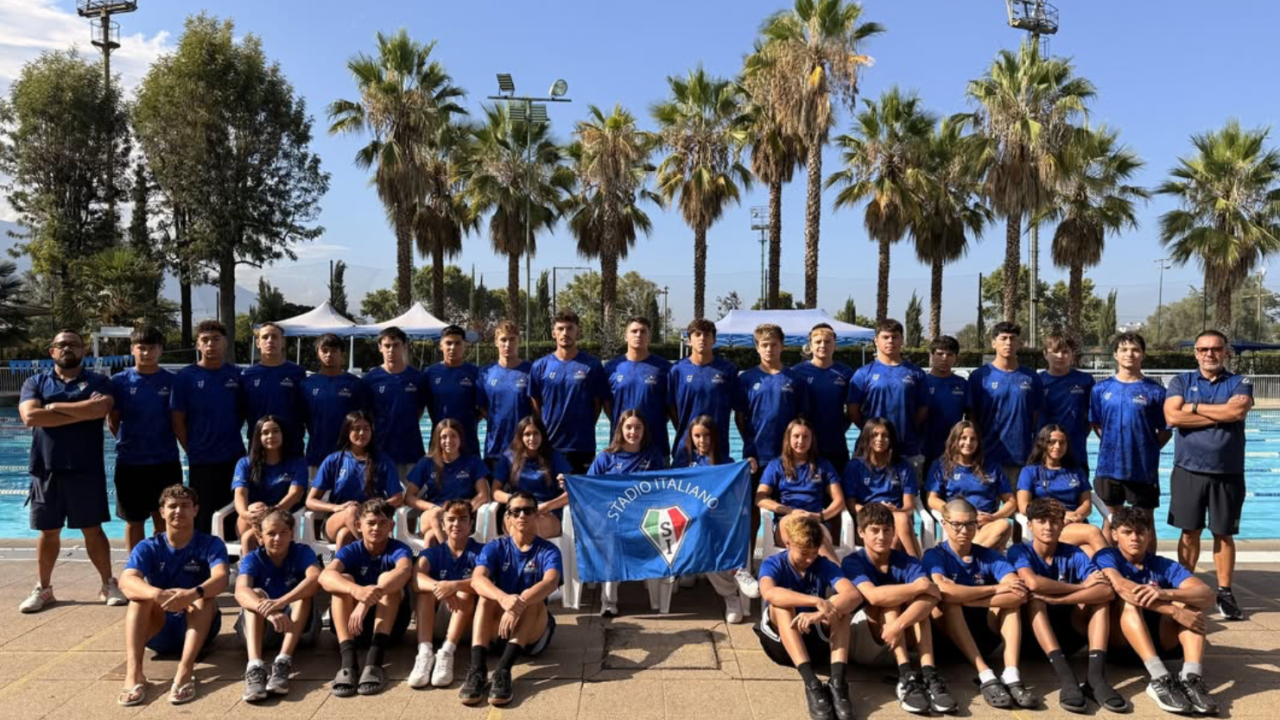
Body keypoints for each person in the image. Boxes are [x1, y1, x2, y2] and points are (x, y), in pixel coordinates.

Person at [18, 328, 124, 613]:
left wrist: (53, 407)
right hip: (46, 468)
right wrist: (80, 409)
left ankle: (108, 584)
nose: (67, 348)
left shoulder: (99, 381)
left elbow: (99, 410)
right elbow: (30, 416)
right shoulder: (36, 381)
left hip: (85, 468)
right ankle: (43, 588)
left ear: (83, 350)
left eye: (74, 344)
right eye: (61, 344)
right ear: (52, 351)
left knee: (93, 530)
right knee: (48, 531)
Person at [1163, 329, 1253, 621]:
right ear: (1196, 353)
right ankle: (1185, 587)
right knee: (1189, 532)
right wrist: (1218, 413)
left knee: (1223, 534)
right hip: (1188, 469)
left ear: (1225, 352)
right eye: (1203, 349)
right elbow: (1172, 416)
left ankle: (1225, 592)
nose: (1209, 354)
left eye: (1215, 349)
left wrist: (1194, 408)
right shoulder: (1181, 381)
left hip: (1228, 471)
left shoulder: (1239, 381)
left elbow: (1236, 413)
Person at [1095, 507, 1217, 715]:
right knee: (1129, 603)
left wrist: (1166, 593)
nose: (1135, 538)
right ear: (1114, 535)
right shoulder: (1107, 557)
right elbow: (1123, 588)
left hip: (1162, 641)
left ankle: (1192, 678)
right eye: (1127, 532)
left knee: (1192, 606)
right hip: (1119, 643)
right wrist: (1174, 612)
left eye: (1140, 532)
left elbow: (1207, 595)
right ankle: (1159, 678)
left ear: (1149, 535)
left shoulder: (1163, 565)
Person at [1008, 498, 1126, 714]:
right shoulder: (1019, 551)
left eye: (1054, 521)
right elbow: (1033, 583)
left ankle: (1095, 678)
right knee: (1035, 600)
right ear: (1030, 525)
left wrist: (1059, 599)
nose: (1048, 527)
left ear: (1063, 525)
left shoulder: (1074, 553)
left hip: (1070, 635)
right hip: (1030, 640)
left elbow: (1106, 591)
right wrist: (1079, 587)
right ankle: (1067, 678)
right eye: (1041, 521)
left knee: (1100, 601)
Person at [667, 318, 757, 599]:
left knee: (715, 511)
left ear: (714, 339)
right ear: (689, 339)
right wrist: (688, 435)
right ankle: (689, 566)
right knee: (684, 511)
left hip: (719, 457)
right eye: (697, 335)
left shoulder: (727, 371)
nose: (702, 339)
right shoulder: (677, 371)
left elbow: (740, 410)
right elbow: (671, 409)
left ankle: (725, 573)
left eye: (707, 335)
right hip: (685, 454)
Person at [117, 485, 228, 707]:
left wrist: (192, 593)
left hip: (200, 627)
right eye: (173, 506)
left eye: (185, 505)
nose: (179, 511)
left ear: (195, 510)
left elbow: (222, 578)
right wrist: (157, 594)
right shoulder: (148, 547)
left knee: (203, 599)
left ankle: (185, 671)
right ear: (162, 512)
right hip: (159, 630)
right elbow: (126, 581)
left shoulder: (210, 544)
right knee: (138, 600)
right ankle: (134, 674)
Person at [923, 498, 1037, 710]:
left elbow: (1019, 594)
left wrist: (966, 597)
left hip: (984, 636)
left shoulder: (989, 556)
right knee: (951, 604)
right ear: (944, 524)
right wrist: (994, 589)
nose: (964, 530)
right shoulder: (935, 556)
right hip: (948, 639)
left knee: (1011, 607)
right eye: (957, 524)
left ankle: (1011, 674)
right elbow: (945, 592)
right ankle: (985, 674)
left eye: (970, 524)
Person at [841, 503, 953, 715]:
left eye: (887, 530)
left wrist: (899, 625)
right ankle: (906, 676)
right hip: (866, 642)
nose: (881, 536)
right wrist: (917, 587)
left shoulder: (906, 561)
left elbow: (932, 595)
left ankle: (929, 673)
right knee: (891, 602)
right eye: (874, 530)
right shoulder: (853, 562)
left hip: (897, 634)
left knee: (919, 604)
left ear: (894, 532)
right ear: (861, 533)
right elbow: (874, 596)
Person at [460, 490, 562, 707]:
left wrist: (519, 604)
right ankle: (477, 669)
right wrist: (504, 599)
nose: (522, 515)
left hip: (533, 632)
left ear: (536, 515)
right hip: (500, 627)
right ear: (508, 517)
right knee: (486, 596)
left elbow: (551, 582)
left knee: (533, 599)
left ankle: (503, 671)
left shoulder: (549, 550)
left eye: (528, 510)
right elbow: (477, 579)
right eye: (516, 511)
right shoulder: (495, 546)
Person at [756, 514, 862, 720]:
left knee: (840, 610)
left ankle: (838, 683)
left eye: (814, 553)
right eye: (804, 553)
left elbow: (853, 595)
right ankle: (812, 684)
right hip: (781, 644)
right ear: (788, 543)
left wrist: (819, 613)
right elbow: (769, 592)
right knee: (782, 606)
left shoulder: (823, 564)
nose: (809, 559)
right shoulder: (773, 563)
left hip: (815, 641)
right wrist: (815, 601)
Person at [319, 498, 415, 697]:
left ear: (391, 526)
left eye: (382, 523)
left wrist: (366, 600)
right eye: (371, 523)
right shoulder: (352, 550)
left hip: (389, 630)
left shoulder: (399, 548)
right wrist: (355, 590)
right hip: (352, 627)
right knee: (343, 581)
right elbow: (324, 577)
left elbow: (404, 571)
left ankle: (374, 661)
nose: (376, 528)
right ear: (358, 526)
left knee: (387, 579)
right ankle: (348, 662)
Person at [1091, 331, 1170, 554]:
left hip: (1143, 470)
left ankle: (1149, 567)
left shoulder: (1155, 391)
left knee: (1145, 521)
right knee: (1110, 520)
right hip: (1109, 467)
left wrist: (1147, 449)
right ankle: (1109, 567)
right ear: (1115, 355)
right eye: (1124, 349)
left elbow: (1166, 430)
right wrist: (1114, 445)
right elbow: (1097, 424)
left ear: (1143, 354)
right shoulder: (1101, 389)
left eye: (1135, 350)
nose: (1130, 354)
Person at [233, 508, 320, 703]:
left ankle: (283, 662)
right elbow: (240, 590)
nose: (278, 538)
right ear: (260, 537)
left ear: (292, 534)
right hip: (262, 630)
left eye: (283, 532)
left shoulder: (302, 552)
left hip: (299, 630)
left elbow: (315, 578)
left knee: (302, 594)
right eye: (271, 533)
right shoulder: (253, 558)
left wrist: (282, 601)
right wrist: (269, 611)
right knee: (254, 594)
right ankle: (254, 666)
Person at [109, 325, 182, 552]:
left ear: (160, 350)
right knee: (134, 520)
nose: (146, 353)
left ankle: (163, 562)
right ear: (132, 349)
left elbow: (179, 420)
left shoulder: (172, 381)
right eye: (141, 348)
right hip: (131, 463)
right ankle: (136, 566)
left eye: (152, 348)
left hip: (165, 461)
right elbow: (112, 421)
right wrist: (128, 443)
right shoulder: (119, 381)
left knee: (165, 517)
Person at [589, 410, 668, 617]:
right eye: (629, 427)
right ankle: (608, 602)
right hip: (613, 520)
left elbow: (662, 489)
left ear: (644, 430)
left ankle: (663, 584)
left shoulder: (653, 456)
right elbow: (588, 488)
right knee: (611, 538)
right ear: (620, 430)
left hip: (644, 518)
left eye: (638, 427)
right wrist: (568, 483)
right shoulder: (606, 457)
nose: (633, 432)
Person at [171, 320, 246, 534]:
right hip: (201, 458)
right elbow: (177, 420)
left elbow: (242, 412)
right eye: (205, 340)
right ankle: (203, 554)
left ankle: (230, 555)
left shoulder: (237, 375)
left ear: (225, 343)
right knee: (202, 515)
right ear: (198, 345)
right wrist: (192, 449)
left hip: (233, 456)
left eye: (216, 339)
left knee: (232, 514)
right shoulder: (186, 377)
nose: (210, 344)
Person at [679, 414, 755, 624]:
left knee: (708, 530)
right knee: (702, 527)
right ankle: (731, 589)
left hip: (718, 521)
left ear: (714, 437)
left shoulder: (726, 463)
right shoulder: (684, 462)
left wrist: (747, 468)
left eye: (706, 436)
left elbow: (736, 495)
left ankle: (734, 585)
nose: (702, 441)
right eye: (697, 436)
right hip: (690, 520)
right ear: (691, 437)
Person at [410, 499, 483, 689]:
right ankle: (424, 653)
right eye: (451, 519)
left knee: (466, 590)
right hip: (435, 624)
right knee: (425, 593)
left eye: (462, 519)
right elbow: (416, 579)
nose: (456, 524)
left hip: (469, 626)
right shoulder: (433, 553)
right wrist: (442, 587)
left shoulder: (482, 551)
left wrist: (455, 585)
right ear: (442, 524)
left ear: (471, 524)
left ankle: (447, 652)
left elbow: (484, 582)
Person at [847, 319, 929, 481]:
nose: (890, 341)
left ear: (902, 340)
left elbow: (923, 409)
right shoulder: (863, 373)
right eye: (885, 337)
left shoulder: (916, 373)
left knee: (908, 494)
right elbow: (853, 411)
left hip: (907, 448)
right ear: (876, 340)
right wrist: (871, 431)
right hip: (869, 450)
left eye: (895, 337)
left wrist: (906, 428)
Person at [308, 411, 405, 548]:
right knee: (352, 511)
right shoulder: (333, 460)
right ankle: (374, 552)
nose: (361, 433)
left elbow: (398, 498)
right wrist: (336, 507)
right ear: (347, 431)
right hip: (335, 521)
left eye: (366, 429)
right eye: (356, 428)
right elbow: (310, 501)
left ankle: (343, 563)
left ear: (372, 432)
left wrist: (369, 509)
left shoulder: (383, 461)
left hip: (372, 521)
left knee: (344, 535)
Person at [756, 418, 846, 564]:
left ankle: (835, 575)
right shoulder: (775, 466)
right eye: (796, 436)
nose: (801, 441)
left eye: (805, 437)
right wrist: (790, 511)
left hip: (816, 521)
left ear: (812, 440)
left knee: (813, 532)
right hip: (786, 521)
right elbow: (760, 498)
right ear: (788, 438)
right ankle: (839, 574)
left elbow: (839, 500)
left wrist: (820, 516)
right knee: (805, 529)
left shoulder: (823, 466)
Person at [528, 311, 609, 473]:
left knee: (580, 488)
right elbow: (535, 403)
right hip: (550, 444)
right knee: (550, 488)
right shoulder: (540, 366)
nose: (565, 333)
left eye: (570, 328)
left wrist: (584, 427)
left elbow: (597, 404)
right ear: (553, 333)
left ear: (577, 332)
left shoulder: (592, 366)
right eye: (560, 328)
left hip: (582, 446)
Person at [968, 322, 1042, 487]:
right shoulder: (979, 377)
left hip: (1021, 457)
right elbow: (972, 417)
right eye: (1003, 338)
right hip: (987, 457)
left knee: (1020, 503)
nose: (1008, 343)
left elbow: (1035, 416)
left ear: (1019, 343)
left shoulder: (1031, 378)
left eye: (1013, 338)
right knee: (986, 503)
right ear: (994, 343)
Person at [925, 421, 1017, 549]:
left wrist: (992, 517)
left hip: (985, 523)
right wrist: (956, 513)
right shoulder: (941, 465)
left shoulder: (992, 467)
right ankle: (975, 556)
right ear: (954, 440)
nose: (968, 443)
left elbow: (1011, 502)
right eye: (963, 438)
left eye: (973, 439)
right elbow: (931, 499)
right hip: (958, 522)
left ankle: (965, 555)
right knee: (997, 542)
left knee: (1004, 525)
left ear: (978, 443)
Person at [1016, 425, 1107, 554]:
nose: (1058, 446)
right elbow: (1023, 506)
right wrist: (1059, 516)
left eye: (1062, 442)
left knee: (1090, 553)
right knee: (1093, 531)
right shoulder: (1029, 472)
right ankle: (1117, 565)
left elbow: (1087, 505)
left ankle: (1111, 567)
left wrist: (1075, 516)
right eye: (1052, 442)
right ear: (1043, 444)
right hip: (1048, 525)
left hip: (1075, 523)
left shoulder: (1076, 471)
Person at [404, 419, 493, 546]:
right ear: (438, 440)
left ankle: (443, 554)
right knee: (435, 516)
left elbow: (483, 495)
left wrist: (465, 510)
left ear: (460, 438)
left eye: (453, 436)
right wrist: (432, 507)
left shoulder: (473, 462)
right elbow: (409, 497)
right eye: (444, 437)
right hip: (434, 512)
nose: (448, 440)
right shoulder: (426, 463)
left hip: (460, 515)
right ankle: (449, 554)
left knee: (430, 537)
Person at [738, 323, 810, 478]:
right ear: (757, 347)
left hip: (788, 453)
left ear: (782, 346)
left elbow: (801, 418)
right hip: (756, 454)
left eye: (774, 345)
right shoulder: (746, 379)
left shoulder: (796, 379)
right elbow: (740, 418)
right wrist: (750, 442)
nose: (769, 349)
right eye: (764, 345)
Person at [843, 417, 920, 557]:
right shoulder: (855, 466)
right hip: (868, 521)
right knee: (898, 524)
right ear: (867, 437)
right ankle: (917, 565)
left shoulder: (903, 467)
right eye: (875, 435)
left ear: (891, 439)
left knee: (899, 522)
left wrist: (895, 510)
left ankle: (904, 567)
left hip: (896, 521)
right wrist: (876, 511)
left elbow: (909, 507)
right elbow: (850, 504)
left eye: (885, 435)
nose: (880, 439)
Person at [232, 416, 309, 553]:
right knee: (256, 506)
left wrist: (271, 513)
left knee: (249, 537)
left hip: (282, 516)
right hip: (251, 519)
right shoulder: (244, 463)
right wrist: (245, 514)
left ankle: (252, 562)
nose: (271, 436)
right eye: (265, 432)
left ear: (283, 434)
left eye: (275, 431)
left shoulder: (297, 463)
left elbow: (295, 494)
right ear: (258, 437)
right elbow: (240, 493)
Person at [362, 326, 428, 483]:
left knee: (413, 496)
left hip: (411, 450)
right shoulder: (370, 380)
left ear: (404, 347)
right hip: (381, 450)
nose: (391, 350)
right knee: (381, 496)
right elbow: (366, 415)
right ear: (380, 348)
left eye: (396, 345)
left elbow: (419, 410)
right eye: (387, 346)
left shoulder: (417, 378)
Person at [604, 316, 672, 460]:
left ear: (649, 336)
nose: (638, 335)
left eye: (643, 331)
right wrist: (624, 422)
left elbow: (671, 407)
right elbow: (607, 405)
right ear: (625, 336)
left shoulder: (664, 368)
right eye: (634, 331)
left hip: (656, 447)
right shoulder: (612, 368)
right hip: (621, 448)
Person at [492, 416, 571, 539]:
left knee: (528, 527)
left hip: (546, 512)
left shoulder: (554, 457)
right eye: (527, 434)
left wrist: (547, 506)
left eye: (536, 433)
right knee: (519, 524)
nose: (532, 438)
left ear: (542, 435)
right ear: (520, 436)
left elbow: (571, 492)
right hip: (517, 510)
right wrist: (514, 500)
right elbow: (495, 491)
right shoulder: (508, 458)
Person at [302, 333, 367, 478]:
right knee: (315, 493)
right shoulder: (307, 384)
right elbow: (303, 419)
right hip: (317, 454)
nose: (329, 354)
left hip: (350, 456)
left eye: (334, 350)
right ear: (317, 354)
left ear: (342, 354)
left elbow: (363, 420)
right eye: (324, 350)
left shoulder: (356, 384)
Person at [793, 323, 856, 474]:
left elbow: (852, 409)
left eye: (827, 342)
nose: (823, 345)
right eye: (818, 342)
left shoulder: (846, 373)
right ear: (810, 345)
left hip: (836, 444)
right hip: (805, 445)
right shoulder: (797, 373)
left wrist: (840, 428)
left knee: (838, 485)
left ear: (834, 345)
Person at [241, 322, 307, 458]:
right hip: (259, 445)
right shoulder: (247, 375)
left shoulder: (298, 373)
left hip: (292, 445)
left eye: (275, 337)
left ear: (283, 342)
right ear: (258, 343)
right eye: (265, 337)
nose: (270, 341)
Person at [477, 321, 533, 469]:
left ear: (519, 341)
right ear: (496, 342)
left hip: (525, 448)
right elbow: (481, 407)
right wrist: (497, 421)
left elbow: (538, 406)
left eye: (512, 339)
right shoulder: (486, 373)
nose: (507, 344)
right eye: (503, 340)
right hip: (495, 447)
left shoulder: (531, 371)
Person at [424, 324, 484, 458]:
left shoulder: (475, 373)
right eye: (448, 343)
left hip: (468, 441)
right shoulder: (430, 373)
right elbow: (426, 405)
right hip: (440, 440)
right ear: (441, 345)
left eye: (457, 343)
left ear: (464, 345)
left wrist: (470, 422)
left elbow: (482, 408)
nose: (453, 347)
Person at [1038, 333, 1094, 474]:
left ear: (1072, 354)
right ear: (1045, 354)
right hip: (1044, 453)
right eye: (1055, 351)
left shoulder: (1085, 381)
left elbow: (1092, 417)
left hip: (1076, 452)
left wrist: (1078, 436)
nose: (1060, 356)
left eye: (1065, 352)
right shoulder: (1036, 381)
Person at [923, 336, 970, 472]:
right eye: (940, 354)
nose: (944, 358)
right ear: (931, 356)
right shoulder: (921, 382)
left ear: (955, 358)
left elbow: (970, 417)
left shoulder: (962, 384)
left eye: (950, 355)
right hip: (924, 450)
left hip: (953, 449)